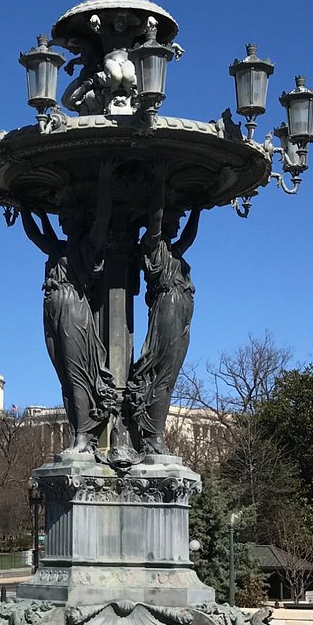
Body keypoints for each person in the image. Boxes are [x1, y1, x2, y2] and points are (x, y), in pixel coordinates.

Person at [19, 165, 118, 455]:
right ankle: (80, 432)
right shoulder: (58, 250)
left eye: (68, 217)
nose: (62, 222)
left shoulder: (88, 249)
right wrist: (24, 204)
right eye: (61, 218)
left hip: (73, 310)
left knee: (76, 373)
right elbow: (35, 235)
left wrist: (104, 182)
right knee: (63, 372)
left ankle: (84, 437)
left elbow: (102, 222)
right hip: (51, 310)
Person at [126, 168, 201, 454]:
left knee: (169, 374)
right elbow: (155, 220)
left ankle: (153, 432)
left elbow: (190, 236)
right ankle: (149, 433)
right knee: (161, 371)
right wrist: (157, 182)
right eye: (176, 217)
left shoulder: (174, 252)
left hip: (181, 313)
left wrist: (198, 208)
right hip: (167, 311)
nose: (179, 222)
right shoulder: (152, 246)